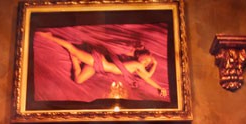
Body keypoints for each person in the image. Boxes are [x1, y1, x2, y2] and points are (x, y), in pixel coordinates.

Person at [38, 31, 167, 97]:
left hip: (99, 68)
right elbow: (147, 76)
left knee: (78, 80)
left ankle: (74, 59)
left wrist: (154, 65)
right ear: (142, 54)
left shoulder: (135, 67)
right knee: (72, 48)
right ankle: (49, 36)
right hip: (99, 62)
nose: (145, 63)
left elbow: (146, 76)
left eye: (147, 64)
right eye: (147, 59)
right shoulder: (136, 64)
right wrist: (159, 86)